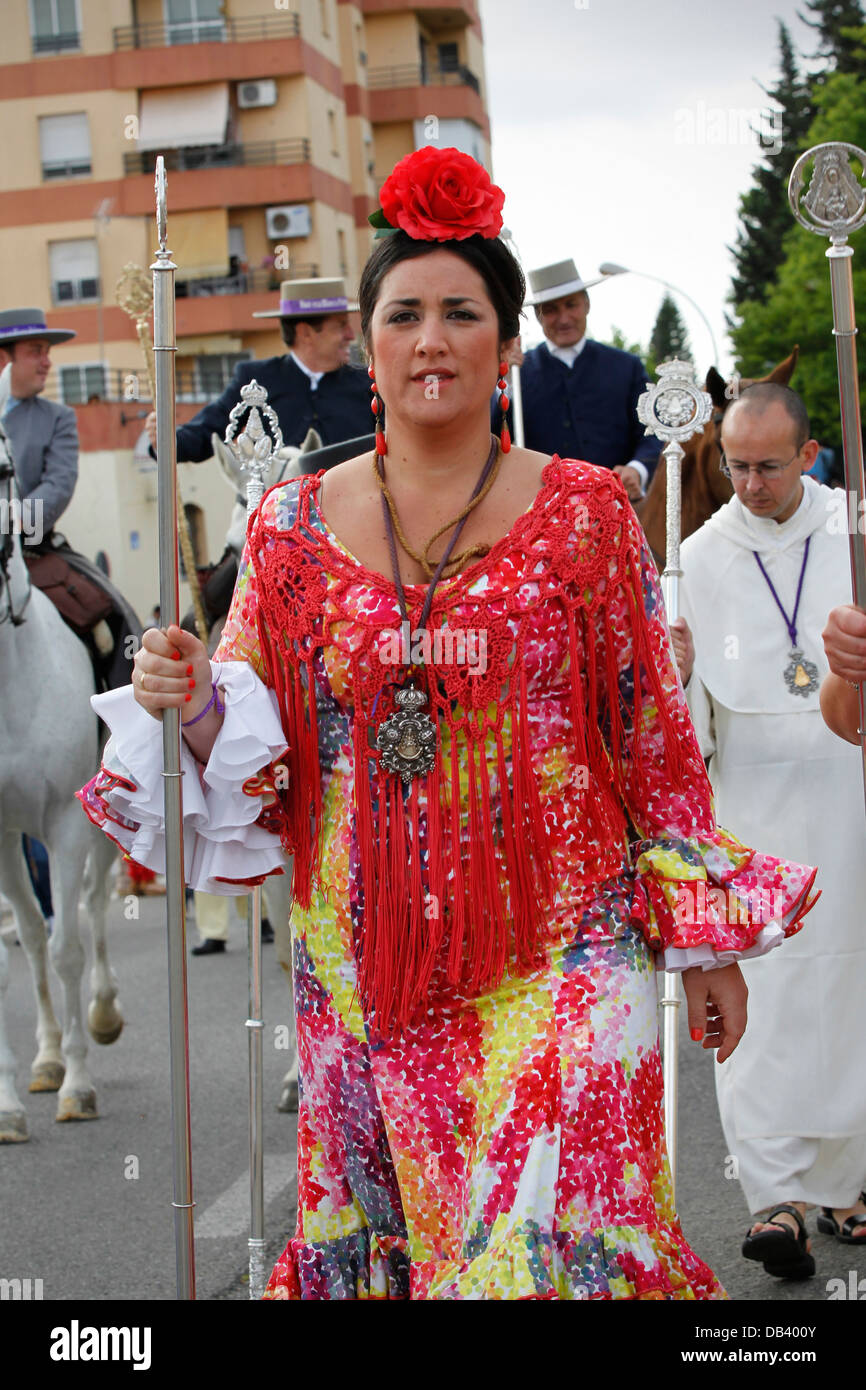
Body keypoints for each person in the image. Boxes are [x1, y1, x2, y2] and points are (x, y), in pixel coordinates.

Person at [79, 147, 817, 1302]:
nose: (431, 338)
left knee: (547, 1256)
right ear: (367, 346)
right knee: (416, 1257)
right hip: (367, 957)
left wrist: (704, 939)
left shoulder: (584, 512)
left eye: (461, 313)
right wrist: (186, 690)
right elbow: (247, 726)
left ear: (507, 344)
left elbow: (649, 736)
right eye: (404, 314)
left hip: (571, 941)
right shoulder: (283, 529)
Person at [670, 383, 866, 1278]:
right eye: (736, 466)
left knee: (846, 990)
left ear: (810, 455)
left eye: (768, 466)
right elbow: (685, 719)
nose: (748, 484)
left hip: (847, 787)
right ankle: (774, 1198)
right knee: (763, 991)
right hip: (747, 800)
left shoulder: (854, 535)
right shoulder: (699, 555)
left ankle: (848, 1185)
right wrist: (671, 676)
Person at [145, 277, 371, 461]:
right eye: (341, 326)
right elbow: (209, 431)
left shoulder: (368, 385)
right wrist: (167, 441)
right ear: (305, 333)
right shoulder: (256, 381)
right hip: (278, 512)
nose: (351, 336)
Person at [504, 259, 660, 500]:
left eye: (571, 305)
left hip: (619, 506)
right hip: (542, 513)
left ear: (586, 305)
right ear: (538, 315)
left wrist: (637, 469)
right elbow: (492, 436)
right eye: (551, 309)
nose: (564, 318)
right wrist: (504, 381)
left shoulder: (627, 367)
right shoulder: (516, 375)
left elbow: (652, 432)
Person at [0, 307, 78, 532]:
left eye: (47, 352)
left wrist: (13, 522)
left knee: (83, 569)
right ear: (3, 359)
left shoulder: (58, 419)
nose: (47, 362)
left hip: (28, 545)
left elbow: (59, 483)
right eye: (36, 352)